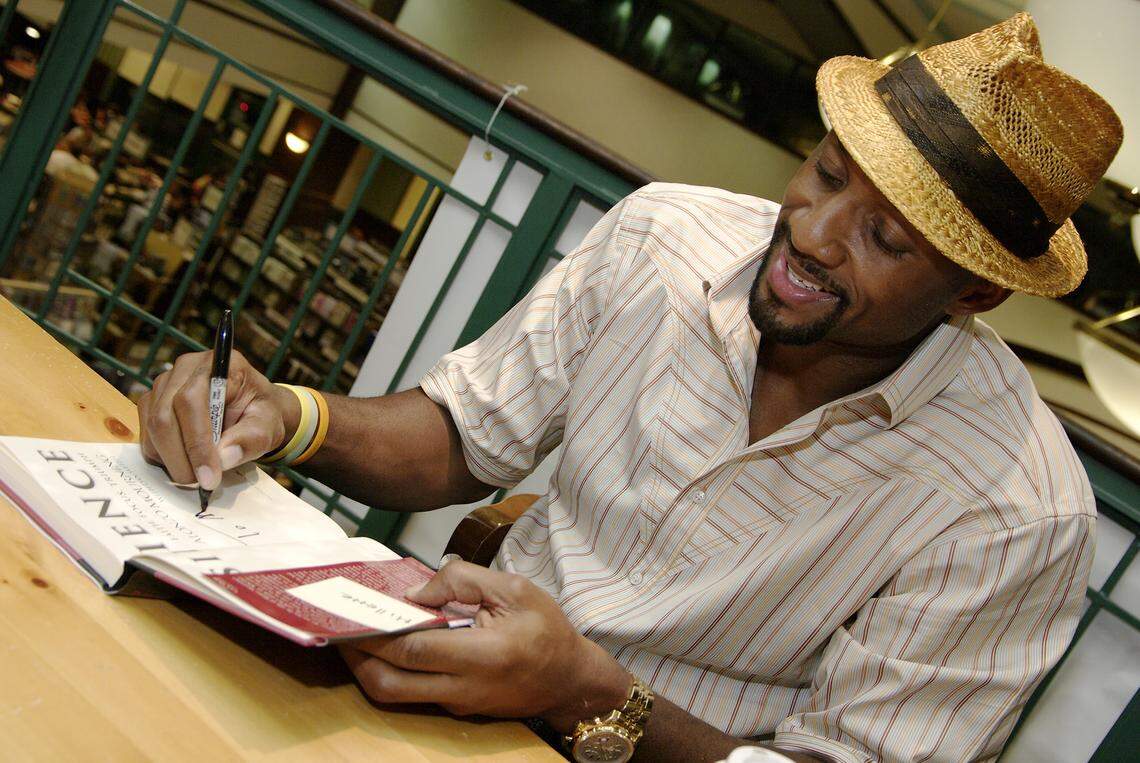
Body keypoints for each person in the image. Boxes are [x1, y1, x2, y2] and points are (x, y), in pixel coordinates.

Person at [137, 14, 1121, 763]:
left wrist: (583, 694)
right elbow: (457, 436)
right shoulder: (665, 239)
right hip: (434, 706)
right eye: (827, 175)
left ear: (975, 292)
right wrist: (288, 416)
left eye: (885, 239)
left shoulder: (1014, 511)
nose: (812, 235)